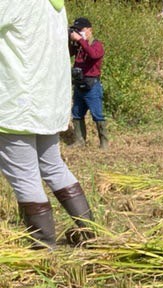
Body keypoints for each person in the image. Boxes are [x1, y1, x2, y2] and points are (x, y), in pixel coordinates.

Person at [0, 0, 96, 250]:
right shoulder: (53, 4)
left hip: (15, 102)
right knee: (52, 165)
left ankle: (42, 247)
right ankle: (90, 231)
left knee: (24, 175)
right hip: (46, 102)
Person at [68, 17, 108, 149]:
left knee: (97, 114)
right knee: (77, 113)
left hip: (92, 85)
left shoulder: (96, 44)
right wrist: (71, 41)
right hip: (79, 84)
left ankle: (104, 143)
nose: (79, 32)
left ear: (89, 30)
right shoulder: (79, 46)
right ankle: (80, 141)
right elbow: (68, 54)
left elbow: (93, 55)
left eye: (81, 30)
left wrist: (80, 40)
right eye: (77, 30)